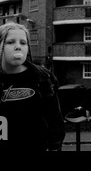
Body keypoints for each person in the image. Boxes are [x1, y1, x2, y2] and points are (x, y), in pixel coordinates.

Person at [0, 22, 65, 151]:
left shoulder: (43, 78)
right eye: (10, 42)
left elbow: (55, 120)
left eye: (23, 43)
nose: (18, 47)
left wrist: (54, 147)